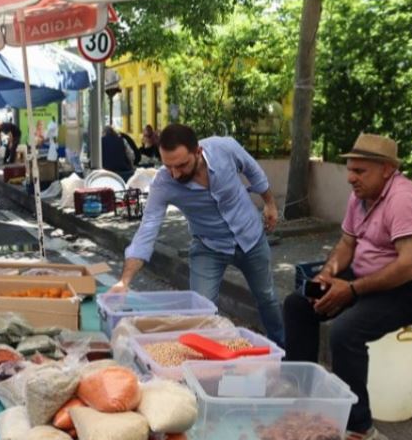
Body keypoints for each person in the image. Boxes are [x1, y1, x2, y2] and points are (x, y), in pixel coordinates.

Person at [282, 133, 412, 440]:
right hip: (366, 277)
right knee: (298, 304)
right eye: (350, 170)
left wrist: (351, 290)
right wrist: (329, 273)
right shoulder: (361, 196)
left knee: (346, 331)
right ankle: (301, 396)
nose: (351, 178)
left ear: (386, 169)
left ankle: (360, 425)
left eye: (360, 171)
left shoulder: (403, 200)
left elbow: (411, 266)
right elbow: (347, 244)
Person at [108, 123, 284, 346]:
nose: (175, 173)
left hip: (250, 237)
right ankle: (207, 366)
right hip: (208, 247)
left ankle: (281, 349)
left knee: (267, 299)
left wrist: (270, 204)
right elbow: (148, 228)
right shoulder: (163, 183)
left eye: (181, 165)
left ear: (198, 152)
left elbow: (254, 172)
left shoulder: (225, 148)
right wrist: (125, 281)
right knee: (200, 313)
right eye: (168, 166)